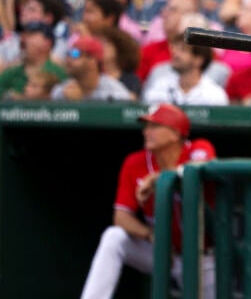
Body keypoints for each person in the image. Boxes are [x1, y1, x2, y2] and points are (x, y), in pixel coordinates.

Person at [80, 103, 217, 299]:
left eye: (155, 126)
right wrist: (150, 234)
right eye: (146, 127)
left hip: (202, 258)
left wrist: (159, 178)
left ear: (175, 133)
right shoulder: (135, 162)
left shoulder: (198, 148)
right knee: (114, 236)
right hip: (162, 252)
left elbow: (201, 167)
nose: (146, 132)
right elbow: (121, 216)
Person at [141, 35, 229, 106]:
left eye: (182, 50)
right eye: (175, 49)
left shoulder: (214, 95)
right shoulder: (160, 87)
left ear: (199, 59)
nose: (175, 54)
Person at [0, 21, 66, 100]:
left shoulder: (58, 74)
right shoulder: (9, 74)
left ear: (47, 43)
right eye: (23, 35)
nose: (23, 39)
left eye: (31, 35)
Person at [51, 35, 132, 101]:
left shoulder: (115, 93)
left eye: (75, 53)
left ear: (92, 61)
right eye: (68, 53)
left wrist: (79, 103)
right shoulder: (61, 91)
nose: (68, 59)